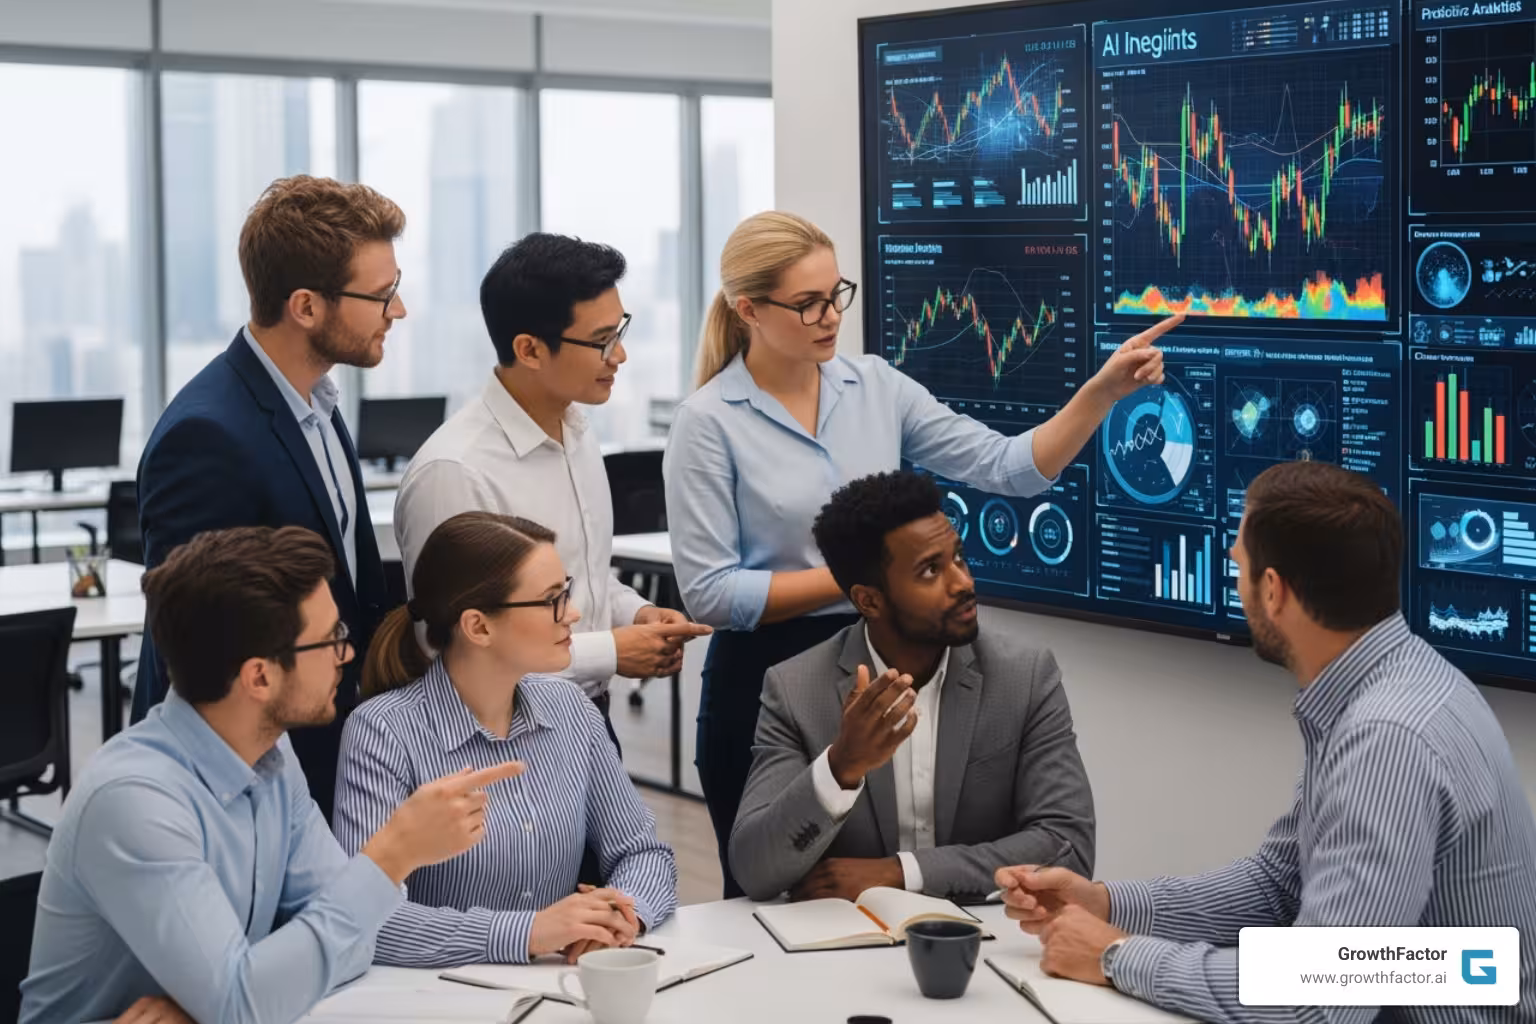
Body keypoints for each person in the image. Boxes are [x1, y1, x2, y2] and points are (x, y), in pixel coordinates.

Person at [664, 209, 1181, 896]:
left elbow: (1007, 466)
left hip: (882, 659)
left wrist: (1101, 392)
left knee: (879, 883)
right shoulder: (707, 423)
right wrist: (861, 579)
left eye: (835, 294)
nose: (829, 316)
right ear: (748, 309)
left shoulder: (876, 386)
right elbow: (711, 594)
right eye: (807, 303)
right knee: (773, 895)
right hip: (765, 679)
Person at [995, 460, 1536, 1023]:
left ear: (1273, 590)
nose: (1236, 581)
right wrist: (1107, 905)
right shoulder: (1387, 682)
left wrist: (1116, 955)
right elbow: (1279, 884)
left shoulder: (1386, 738)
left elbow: (1316, 1001)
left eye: (1239, 566)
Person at [20, 527, 522, 1024]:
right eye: (331, 641)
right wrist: (392, 855)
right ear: (259, 676)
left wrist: (222, 999)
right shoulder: (135, 801)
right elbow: (250, 1001)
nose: (346, 657)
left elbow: (354, 947)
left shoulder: (269, 752)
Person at [134, 175, 405, 821]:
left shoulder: (318, 401)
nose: (398, 311)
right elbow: (199, 648)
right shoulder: (207, 434)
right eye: (383, 295)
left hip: (327, 741)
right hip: (243, 780)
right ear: (306, 307)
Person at [394, 233, 710, 742]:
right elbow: (456, 650)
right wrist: (610, 650)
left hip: (586, 719)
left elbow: (584, 579)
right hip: (500, 736)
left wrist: (638, 613)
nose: (621, 355)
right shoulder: (455, 472)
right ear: (529, 349)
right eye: (602, 339)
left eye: (621, 330)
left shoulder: (577, 432)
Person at [730, 471, 1094, 903]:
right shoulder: (795, 689)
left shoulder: (1025, 676)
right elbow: (755, 869)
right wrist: (841, 767)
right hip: (845, 950)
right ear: (869, 600)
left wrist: (902, 874)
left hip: (989, 940)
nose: (963, 583)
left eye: (958, 558)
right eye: (930, 571)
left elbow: (1068, 846)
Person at [335, 511, 679, 968]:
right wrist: (529, 933)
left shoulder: (571, 709)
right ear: (478, 627)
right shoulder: (382, 733)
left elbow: (643, 853)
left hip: (561, 993)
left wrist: (620, 916)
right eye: (552, 600)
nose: (573, 614)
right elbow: (371, 920)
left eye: (567, 592)